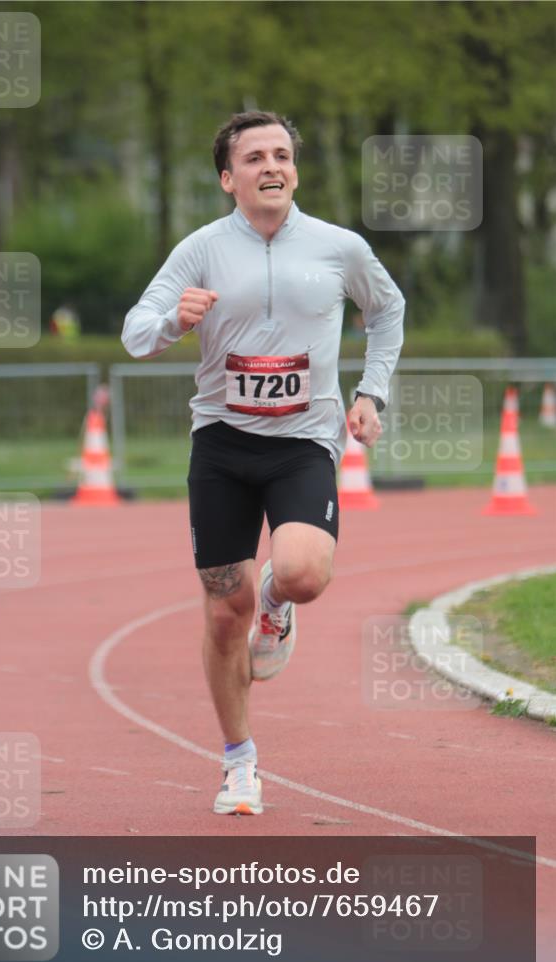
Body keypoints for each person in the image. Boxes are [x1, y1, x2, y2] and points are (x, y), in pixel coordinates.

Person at [122, 110, 404, 816]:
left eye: (280, 155)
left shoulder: (339, 248)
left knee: (303, 573)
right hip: (221, 442)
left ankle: (276, 607)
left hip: (303, 441)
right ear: (228, 178)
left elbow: (388, 308)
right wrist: (173, 321)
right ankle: (238, 762)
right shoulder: (199, 250)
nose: (270, 166)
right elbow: (134, 334)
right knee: (224, 613)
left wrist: (370, 391)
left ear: (295, 171)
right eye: (253, 158)